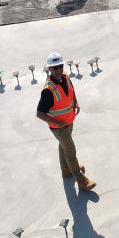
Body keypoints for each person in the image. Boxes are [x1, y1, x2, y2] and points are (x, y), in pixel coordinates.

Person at [36, 52, 96, 190]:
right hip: (59, 127)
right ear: (49, 69)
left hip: (69, 121)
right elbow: (40, 113)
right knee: (70, 151)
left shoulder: (66, 77)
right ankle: (81, 181)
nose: (58, 70)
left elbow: (71, 89)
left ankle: (65, 169)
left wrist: (75, 102)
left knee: (63, 145)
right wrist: (58, 123)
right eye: (54, 68)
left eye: (60, 66)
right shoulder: (48, 90)